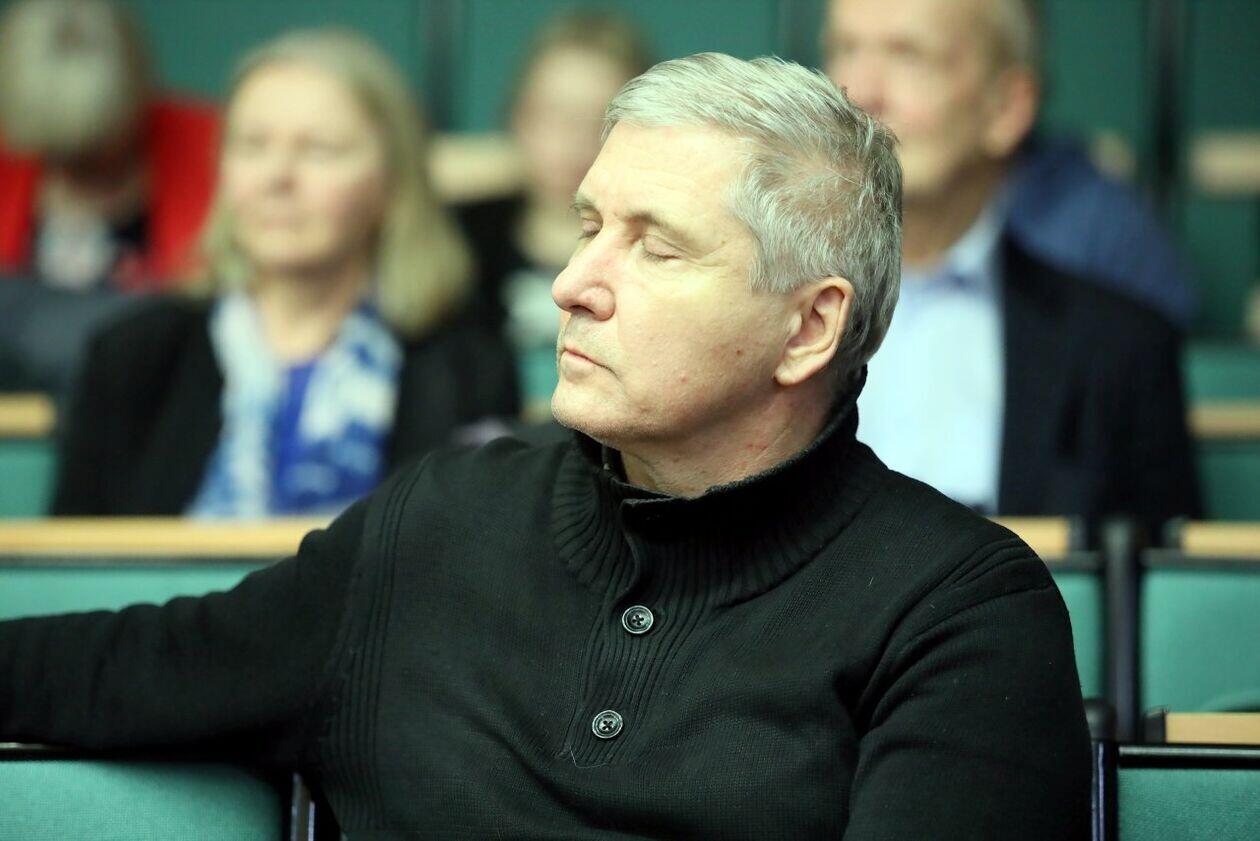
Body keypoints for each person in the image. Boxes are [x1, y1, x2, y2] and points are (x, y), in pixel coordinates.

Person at [2, 53, 1090, 837]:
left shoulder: (960, 609)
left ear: (808, 327)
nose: (574, 284)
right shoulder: (436, 523)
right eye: (589, 226)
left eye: (655, 247)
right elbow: (125, 670)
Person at [50, 29, 519, 517]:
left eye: (320, 150)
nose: (277, 177)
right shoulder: (131, 356)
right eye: (253, 146)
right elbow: (66, 558)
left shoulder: (468, 364)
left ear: (391, 181)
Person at [824, 0, 1199, 526]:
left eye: (909, 55)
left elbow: (1168, 570)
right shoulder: (756, 310)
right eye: (844, 49)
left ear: (1006, 108)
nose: (860, 92)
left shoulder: (1120, 347)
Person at [456, 10, 650, 417]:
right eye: (550, 114)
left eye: (598, 119)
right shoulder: (463, 239)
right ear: (517, 117)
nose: (570, 139)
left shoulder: (650, 250)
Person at [0, 0, 218, 290]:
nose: (80, 166)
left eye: (96, 143)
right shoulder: (7, 159)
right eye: (58, 151)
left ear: (134, 104)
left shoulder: (212, 148)